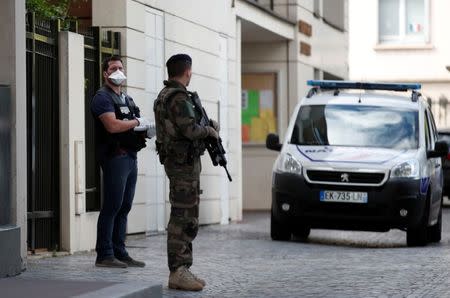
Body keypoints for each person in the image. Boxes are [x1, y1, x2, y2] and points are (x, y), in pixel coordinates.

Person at [154, 54, 219, 291]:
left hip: (180, 163)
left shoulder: (166, 95)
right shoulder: (178, 96)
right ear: (187, 71)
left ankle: (183, 268)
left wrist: (206, 124)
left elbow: (185, 125)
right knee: (183, 216)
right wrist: (209, 131)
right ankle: (178, 271)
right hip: (182, 166)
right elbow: (190, 129)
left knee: (186, 214)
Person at [91, 55, 153, 268]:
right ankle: (104, 254)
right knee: (112, 205)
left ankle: (120, 250)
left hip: (130, 156)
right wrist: (137, 122)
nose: (118, 71)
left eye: (120, 67)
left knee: (125, 206)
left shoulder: (126, 98)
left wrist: (146, 128)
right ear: (105, 73)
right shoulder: (102, 97)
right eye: (113, 68)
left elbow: (135, 123)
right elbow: (113, 126)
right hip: (114, 157)